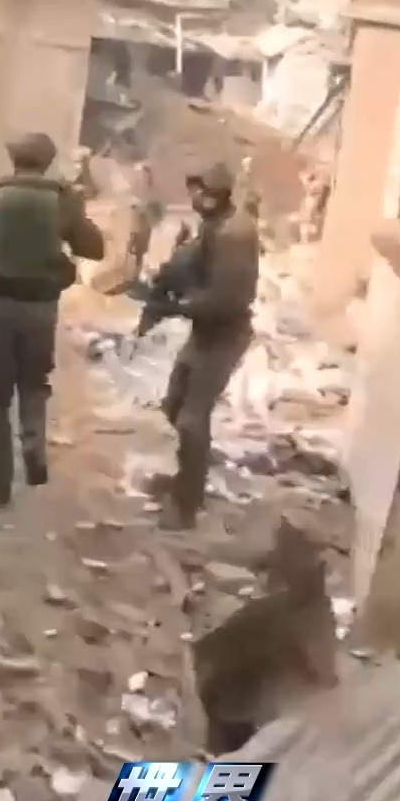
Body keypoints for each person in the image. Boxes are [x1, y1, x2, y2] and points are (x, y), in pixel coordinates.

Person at [0, 132, 105, 507]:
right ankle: (34, 445)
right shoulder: (62, 198)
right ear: (48, 160)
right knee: (34, 385)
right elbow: (94, 248)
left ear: (14, 158)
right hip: (40, 310)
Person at [155, 162, 259, 530]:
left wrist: (176, 307)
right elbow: (193, 262)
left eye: (199, 190)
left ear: (215, 194)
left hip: (224, 336)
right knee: (174, 405)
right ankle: (191, 474)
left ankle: (186, 505)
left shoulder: (234, 233)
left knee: (191, 419)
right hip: (205, 332)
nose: (194, 197)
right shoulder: (214, 225)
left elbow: (227, 299)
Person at [125, 162, 163, 282]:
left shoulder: (150, 193)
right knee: (135, 250)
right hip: (138, 225)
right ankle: (134, 273)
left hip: (143, 225)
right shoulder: (136, 193)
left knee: (140, 250)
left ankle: (136, 273)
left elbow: (154, 209)